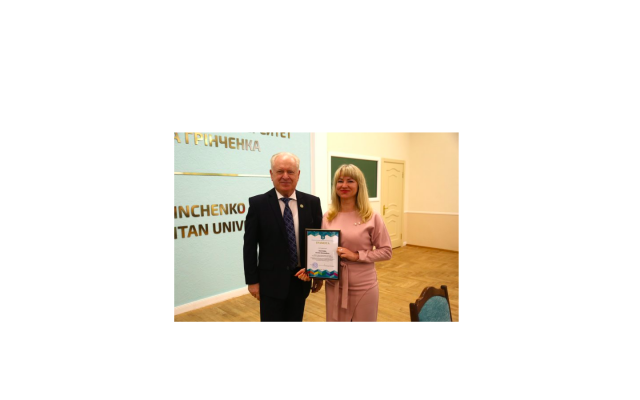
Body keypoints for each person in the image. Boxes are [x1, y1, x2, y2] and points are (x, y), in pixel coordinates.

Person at [298, 164, 392, 321]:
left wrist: (357, 256)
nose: (344, 185)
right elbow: (323, 251)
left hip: (363, 286)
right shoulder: (328, 216)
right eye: (340, 181)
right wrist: (315, 273)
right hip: (334, 286)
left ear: (359, 185)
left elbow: (386, 251)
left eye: (350, 181)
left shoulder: (371, 216)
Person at [243, 152, 324, 321]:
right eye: (280, 171)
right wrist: (252, 281)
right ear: (271, 174)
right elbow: (249, 246)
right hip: (270, 283)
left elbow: (318, 242)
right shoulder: (258, 204)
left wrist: (318, 274)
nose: (285, 176)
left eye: (290, 171)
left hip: (301, 280)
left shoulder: (312, 203)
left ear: (298, 174)